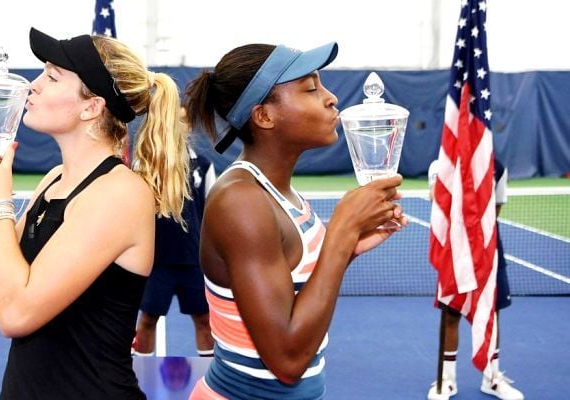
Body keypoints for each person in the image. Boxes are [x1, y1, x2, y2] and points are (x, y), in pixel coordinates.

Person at [0, 27, 188, 399]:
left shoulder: (120, 193)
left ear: (91, 106)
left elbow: (15, 315)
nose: (33, 86)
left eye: (51, 76)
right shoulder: (55, 179)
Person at [183, 42, 407, 399]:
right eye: (311, 88)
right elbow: (287, 361)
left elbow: (294, 289)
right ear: (264, 116)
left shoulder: (281, 193)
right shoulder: (242, 201)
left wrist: (346, 245)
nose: (331, 98)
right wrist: (342, 232)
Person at [426, 158, 524, 400]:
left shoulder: (498, 167)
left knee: (493, 312)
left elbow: (497, 207)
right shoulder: (440, 165)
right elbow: (439, 205)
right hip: (455, 251)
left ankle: (491, 378)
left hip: (489, 250)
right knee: (451, 312)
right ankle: (446, 380)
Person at [132, 127, 216, 358]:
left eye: (183, 121)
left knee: (204, 319)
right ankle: (140, 379)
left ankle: (207, 374)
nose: (177, 126)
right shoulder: (146, 165)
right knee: (147, 320)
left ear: (188, 128)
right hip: (157, 260)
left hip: (193, 261)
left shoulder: (203, 165)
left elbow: (212, 211)